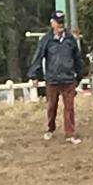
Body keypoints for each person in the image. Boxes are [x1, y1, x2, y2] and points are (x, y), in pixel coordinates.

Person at [28, 10, 86, 143]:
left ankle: (70, 134)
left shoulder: (70, 39)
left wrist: (79, 75)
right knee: (51, 107)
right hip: (52, 79)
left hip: (68, 79)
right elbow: (38, 57)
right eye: (58, 22)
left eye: (62, 22)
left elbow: (77, 58)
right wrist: (34, 75)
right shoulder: (46, 40)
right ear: (52, 23)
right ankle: (50, 128)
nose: (61, 25)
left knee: (69, 108)